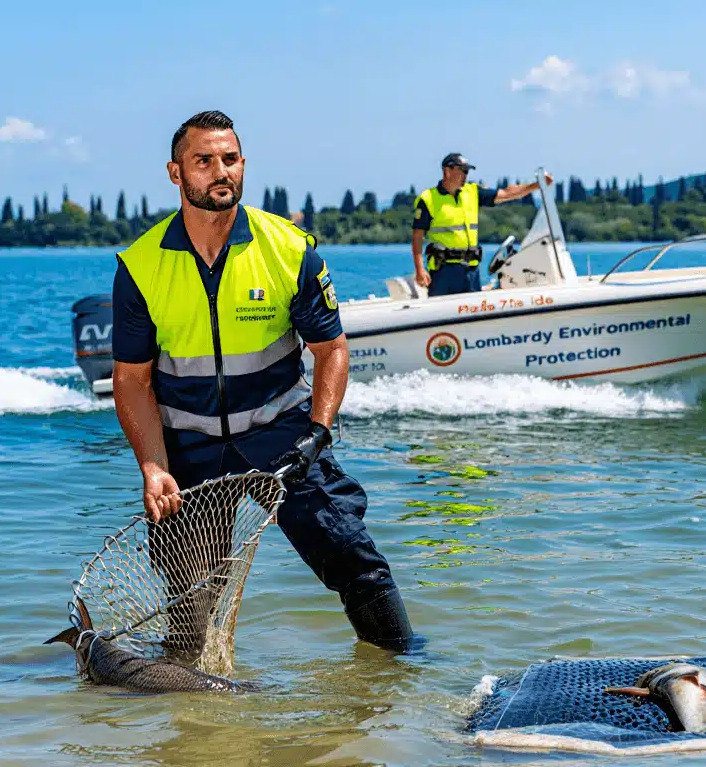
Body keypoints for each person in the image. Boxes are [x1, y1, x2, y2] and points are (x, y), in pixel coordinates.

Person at [109, 110, 418, 652]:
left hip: (284, 438)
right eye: (203, 161)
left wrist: (318, 432)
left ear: (243, 165)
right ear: (176, 173)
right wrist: (154, 466)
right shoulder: (140, 266)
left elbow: (331, 349)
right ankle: (193, 723)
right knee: (189, 609)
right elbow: (132, 380)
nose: (219, 171)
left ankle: (405, 680)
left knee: (355, 560)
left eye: (229, 159)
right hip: (190, 449)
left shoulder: (289, 248)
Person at [412, 153, 554, 296]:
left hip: (471, 271)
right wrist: (419, 269)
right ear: (447, 170)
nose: (466, 175)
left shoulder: (472, 192)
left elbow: (506, 193)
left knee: (473, 314)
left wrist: (537, 185)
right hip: (444, 272)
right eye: (463, 170)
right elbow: (417, 236)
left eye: (467, 171)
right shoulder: (428, 199)